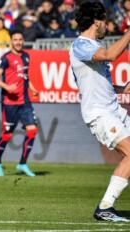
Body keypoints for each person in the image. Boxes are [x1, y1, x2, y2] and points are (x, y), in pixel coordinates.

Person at [69, 1, 130, 222]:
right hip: (100, 114)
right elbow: (112, 55)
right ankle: (105, 207)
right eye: (104, 21)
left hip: (114, 110)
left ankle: (107, 206)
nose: (107, 26)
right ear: (96, 22)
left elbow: (99, 84)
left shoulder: (93, 47)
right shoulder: (81, 45)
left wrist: (123, 88)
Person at [0, 29, 39, 177]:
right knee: (7, 136)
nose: (18, 42)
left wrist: (32, 88)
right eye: (15, 39)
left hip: (24, 102)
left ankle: (23, 163)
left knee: (32, 130)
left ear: (23, 41)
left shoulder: (26, 56)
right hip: (9, 103)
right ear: (11, 42)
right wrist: (6, 87)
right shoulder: (6, 58)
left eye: (20, 39)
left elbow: (25, 76)